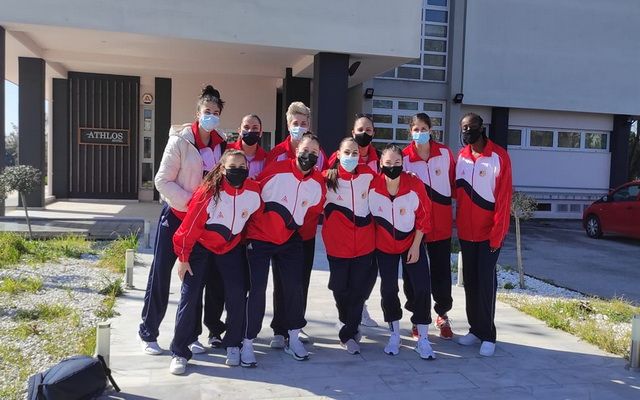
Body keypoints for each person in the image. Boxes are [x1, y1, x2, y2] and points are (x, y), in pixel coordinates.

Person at [138, 85, 226, 356]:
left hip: (201, 223)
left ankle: (191, 335)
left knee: (195, 279)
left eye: (215, 112)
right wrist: (192, 205)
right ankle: (148, 332)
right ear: (197, 113)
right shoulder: (180, 141)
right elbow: (162, 181)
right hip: (176, 216)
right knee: (161, 274)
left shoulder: (222, 144)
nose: (211, 116)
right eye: (207, 111)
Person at [168, 150, 261, 374]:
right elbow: (189, 226)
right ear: (221, 169)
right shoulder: (209, 192)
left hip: (230, 249)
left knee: (237, 294)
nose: (238, 171)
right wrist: (183, 257)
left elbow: (256, 220)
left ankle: (233, 344)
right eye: (232, 167)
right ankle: (180, 351)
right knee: (190, 296)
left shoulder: (253, 192)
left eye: (242, 167)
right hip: (201, 248)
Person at [242, 133, 326, 366]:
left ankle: (293, 338)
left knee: (294, 287)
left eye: (314, 153)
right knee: (257, 289)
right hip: (260, 237)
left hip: (289, 239)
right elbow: (255, 191)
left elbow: (313, 211)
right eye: (305, 150)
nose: (308, 155)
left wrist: (293, 227)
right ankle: (247, 342)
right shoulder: (277, 169)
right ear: (297, 150)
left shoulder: (318, 183)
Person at [265, 102, 328, 347]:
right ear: (288, 124)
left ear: (309, 125)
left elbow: (322, 186)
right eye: (295, 123)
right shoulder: (277, 154)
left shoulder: (318, 153)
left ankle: (296, 326)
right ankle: (279, 329)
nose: (299, 127)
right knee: (281, 281)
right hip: (280, 232)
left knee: (301, 280)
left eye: (304, 124)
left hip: (306, 231)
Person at [455, 113, 512, 357]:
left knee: (486, 283)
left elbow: (503, 199)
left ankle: (488, 334)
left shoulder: (499, 156)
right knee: (470, 282)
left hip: (489, 234)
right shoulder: (461, 157)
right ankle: (475, 329)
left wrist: (497, 235)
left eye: (471, 127)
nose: (467, 131)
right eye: (464, 127)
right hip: (466, 233)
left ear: (482, 128)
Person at [369, 144, 435, 359]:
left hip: (411, 243)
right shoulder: (373, 186)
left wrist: (416, 246)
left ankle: (423, 338)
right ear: (380, 163)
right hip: (384, 246)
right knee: (389, 289)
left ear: (403, 163)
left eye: (397, 162)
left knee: (422, 287)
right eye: (388, 163)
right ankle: (394, 334)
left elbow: (424, 216)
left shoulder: (414, 183)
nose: (392, 167)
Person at [402, 113, 456, 340]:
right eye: (416, 129)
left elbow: (453, 183)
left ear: (431, 130)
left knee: (441, 271)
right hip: (414, 227)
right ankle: (417, 316)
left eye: (424, 128)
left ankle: (442, 314)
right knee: (413, 272)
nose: (420, 133)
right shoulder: (405, 157)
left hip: (441, 224)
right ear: (410, 132)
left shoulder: (444, 153)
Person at [322, 137, 376, 355]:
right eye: (347, 152)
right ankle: (347, 322)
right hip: (337, 245)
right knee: (339, 289)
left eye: (355, 153)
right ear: (338, 154)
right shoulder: (326, 179)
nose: (351, 157)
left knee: (358, 290)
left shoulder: (368, 175)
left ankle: (349, 333)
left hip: (364, 243)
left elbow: (389, 187)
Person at [327, 114, 381, 328]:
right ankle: (348, 317)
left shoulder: (376, 163)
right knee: (341, 283)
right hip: (340, 238)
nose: (364, 133)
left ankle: (357, 312)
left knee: (365, 277)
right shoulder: (331, 170)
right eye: (360, 129)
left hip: (370, 231)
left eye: (368, 130)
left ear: (374, 133)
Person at [227, 114, 268, 179]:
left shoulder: (266, 159)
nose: (250, 131)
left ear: (260, 133)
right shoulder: (226, 151)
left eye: (255, 128)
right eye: (246, 127)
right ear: (239, 131)